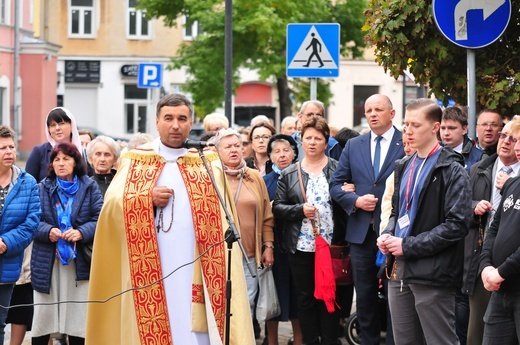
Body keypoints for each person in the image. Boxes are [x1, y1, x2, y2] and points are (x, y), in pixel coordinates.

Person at [86, 93, 254, 344]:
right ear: (157, 122)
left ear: (191, 122)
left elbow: (223, 217)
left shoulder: (207, 163)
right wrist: (145, 198)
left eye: (182, 118)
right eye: (168, 118)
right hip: (152, 264)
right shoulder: (134, 161)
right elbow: (111, 208)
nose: (175, 125)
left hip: (197, 265)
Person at [377, 98, 471, 344]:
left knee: (440, 340)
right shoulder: (403, 165)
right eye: (406, 124)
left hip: (433, 272)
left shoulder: (451, 168)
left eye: (415, 125)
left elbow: (457, 224)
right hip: (399, 269)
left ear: (435, 127)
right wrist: (388, 233)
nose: (408, 130)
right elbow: (397, 212)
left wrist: (408, 245)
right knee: (405, 341)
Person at [330, 94, 404, 345]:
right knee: (365, 295)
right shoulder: (354, 145)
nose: (372, 114)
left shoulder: (404, 142)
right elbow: (336, 185)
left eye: (378, 109)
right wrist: (355, 201)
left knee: (396, 294)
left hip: (394, 232)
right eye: (369, 109)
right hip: (361, 232)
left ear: (391, 114)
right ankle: (369, 341)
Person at [273, 116, 342, 345]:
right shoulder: (290, 173)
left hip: (331, 246)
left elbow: (347, 202)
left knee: (329, 296)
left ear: (326, 141)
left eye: (318, 138)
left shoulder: (339, 169)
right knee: (305, 299)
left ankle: (330, 340)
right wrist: (299, 210)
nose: (312, 142)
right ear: (301, 141)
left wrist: (348, 191)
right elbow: (278, 207)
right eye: (308, 138)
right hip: (300, 246)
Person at [31, 142, 103, 345]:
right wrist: (48, 231)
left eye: (66, 159)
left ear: (76, 161)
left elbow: (100, 218)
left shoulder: (89, 187)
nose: (61, 163)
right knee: (43, 319)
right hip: (48, 262)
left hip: (78, 263)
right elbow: (31, 221)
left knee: (78, 320)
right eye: (56, 160)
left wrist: (81, 232)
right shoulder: (41, 187)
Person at [463, 119, 520, 345]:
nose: (511, 144)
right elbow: (494, 227)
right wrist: (486, 266)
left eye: (515, 139)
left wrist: (501, 271)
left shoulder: (511, 181)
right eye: (505, 136)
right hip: (493, 279)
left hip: (508, 278)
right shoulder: (485, 172)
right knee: (478, 336)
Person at [213, 129, 275, 333]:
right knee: (222, 305)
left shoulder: (254, 177)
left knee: (246, 304)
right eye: (228, 147)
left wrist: (268, 246)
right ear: (217, 150)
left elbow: (267, 215)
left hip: (249, 252)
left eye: (237, 146)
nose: (233, 150)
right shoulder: (212, 177)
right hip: (219, 255)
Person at [0, 126, 40, 344]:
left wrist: (5, 242)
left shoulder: (27, 183)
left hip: (7, 264)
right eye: (3, 148)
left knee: (0, 321)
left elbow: (31, 223)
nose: (9, 152)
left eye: (11, 147)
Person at [262, 134, 302, 345]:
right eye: (276, 151)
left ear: (294, 152)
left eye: (286, 150)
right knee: (273, 293)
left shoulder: (302, 175)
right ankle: (272, 341)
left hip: (298, 242)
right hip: (274, 243)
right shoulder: (264, 181)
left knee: (298, 293)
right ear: (270, 156)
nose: (282, 155)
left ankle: (299, 340)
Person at [26, 107, 83, 183]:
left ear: (71, 125)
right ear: (48, 129)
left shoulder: (81, 152)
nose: (57, 128)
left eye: (61, 123)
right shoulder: (39, 152)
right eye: (52, 125)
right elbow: (28, 183)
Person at [440, 106, 482, 171]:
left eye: (451, 128)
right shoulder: (432, 155)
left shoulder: (479, 157)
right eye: (442, 128)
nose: (446, 133)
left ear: (464, 129)